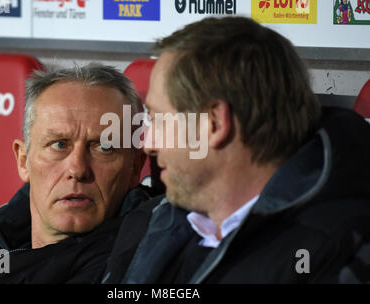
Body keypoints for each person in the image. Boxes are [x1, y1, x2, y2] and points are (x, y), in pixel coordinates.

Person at [102, 16, 370, 283]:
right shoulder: (150, 218)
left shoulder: (339, 254)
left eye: (159, 119)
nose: (148, 143)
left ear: (216, 123)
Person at [0, 63, 150, 283]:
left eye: (103, 148)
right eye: (59, 145)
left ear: (134, 167)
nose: (77, 169)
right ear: (23, 160)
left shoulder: (144, 267)